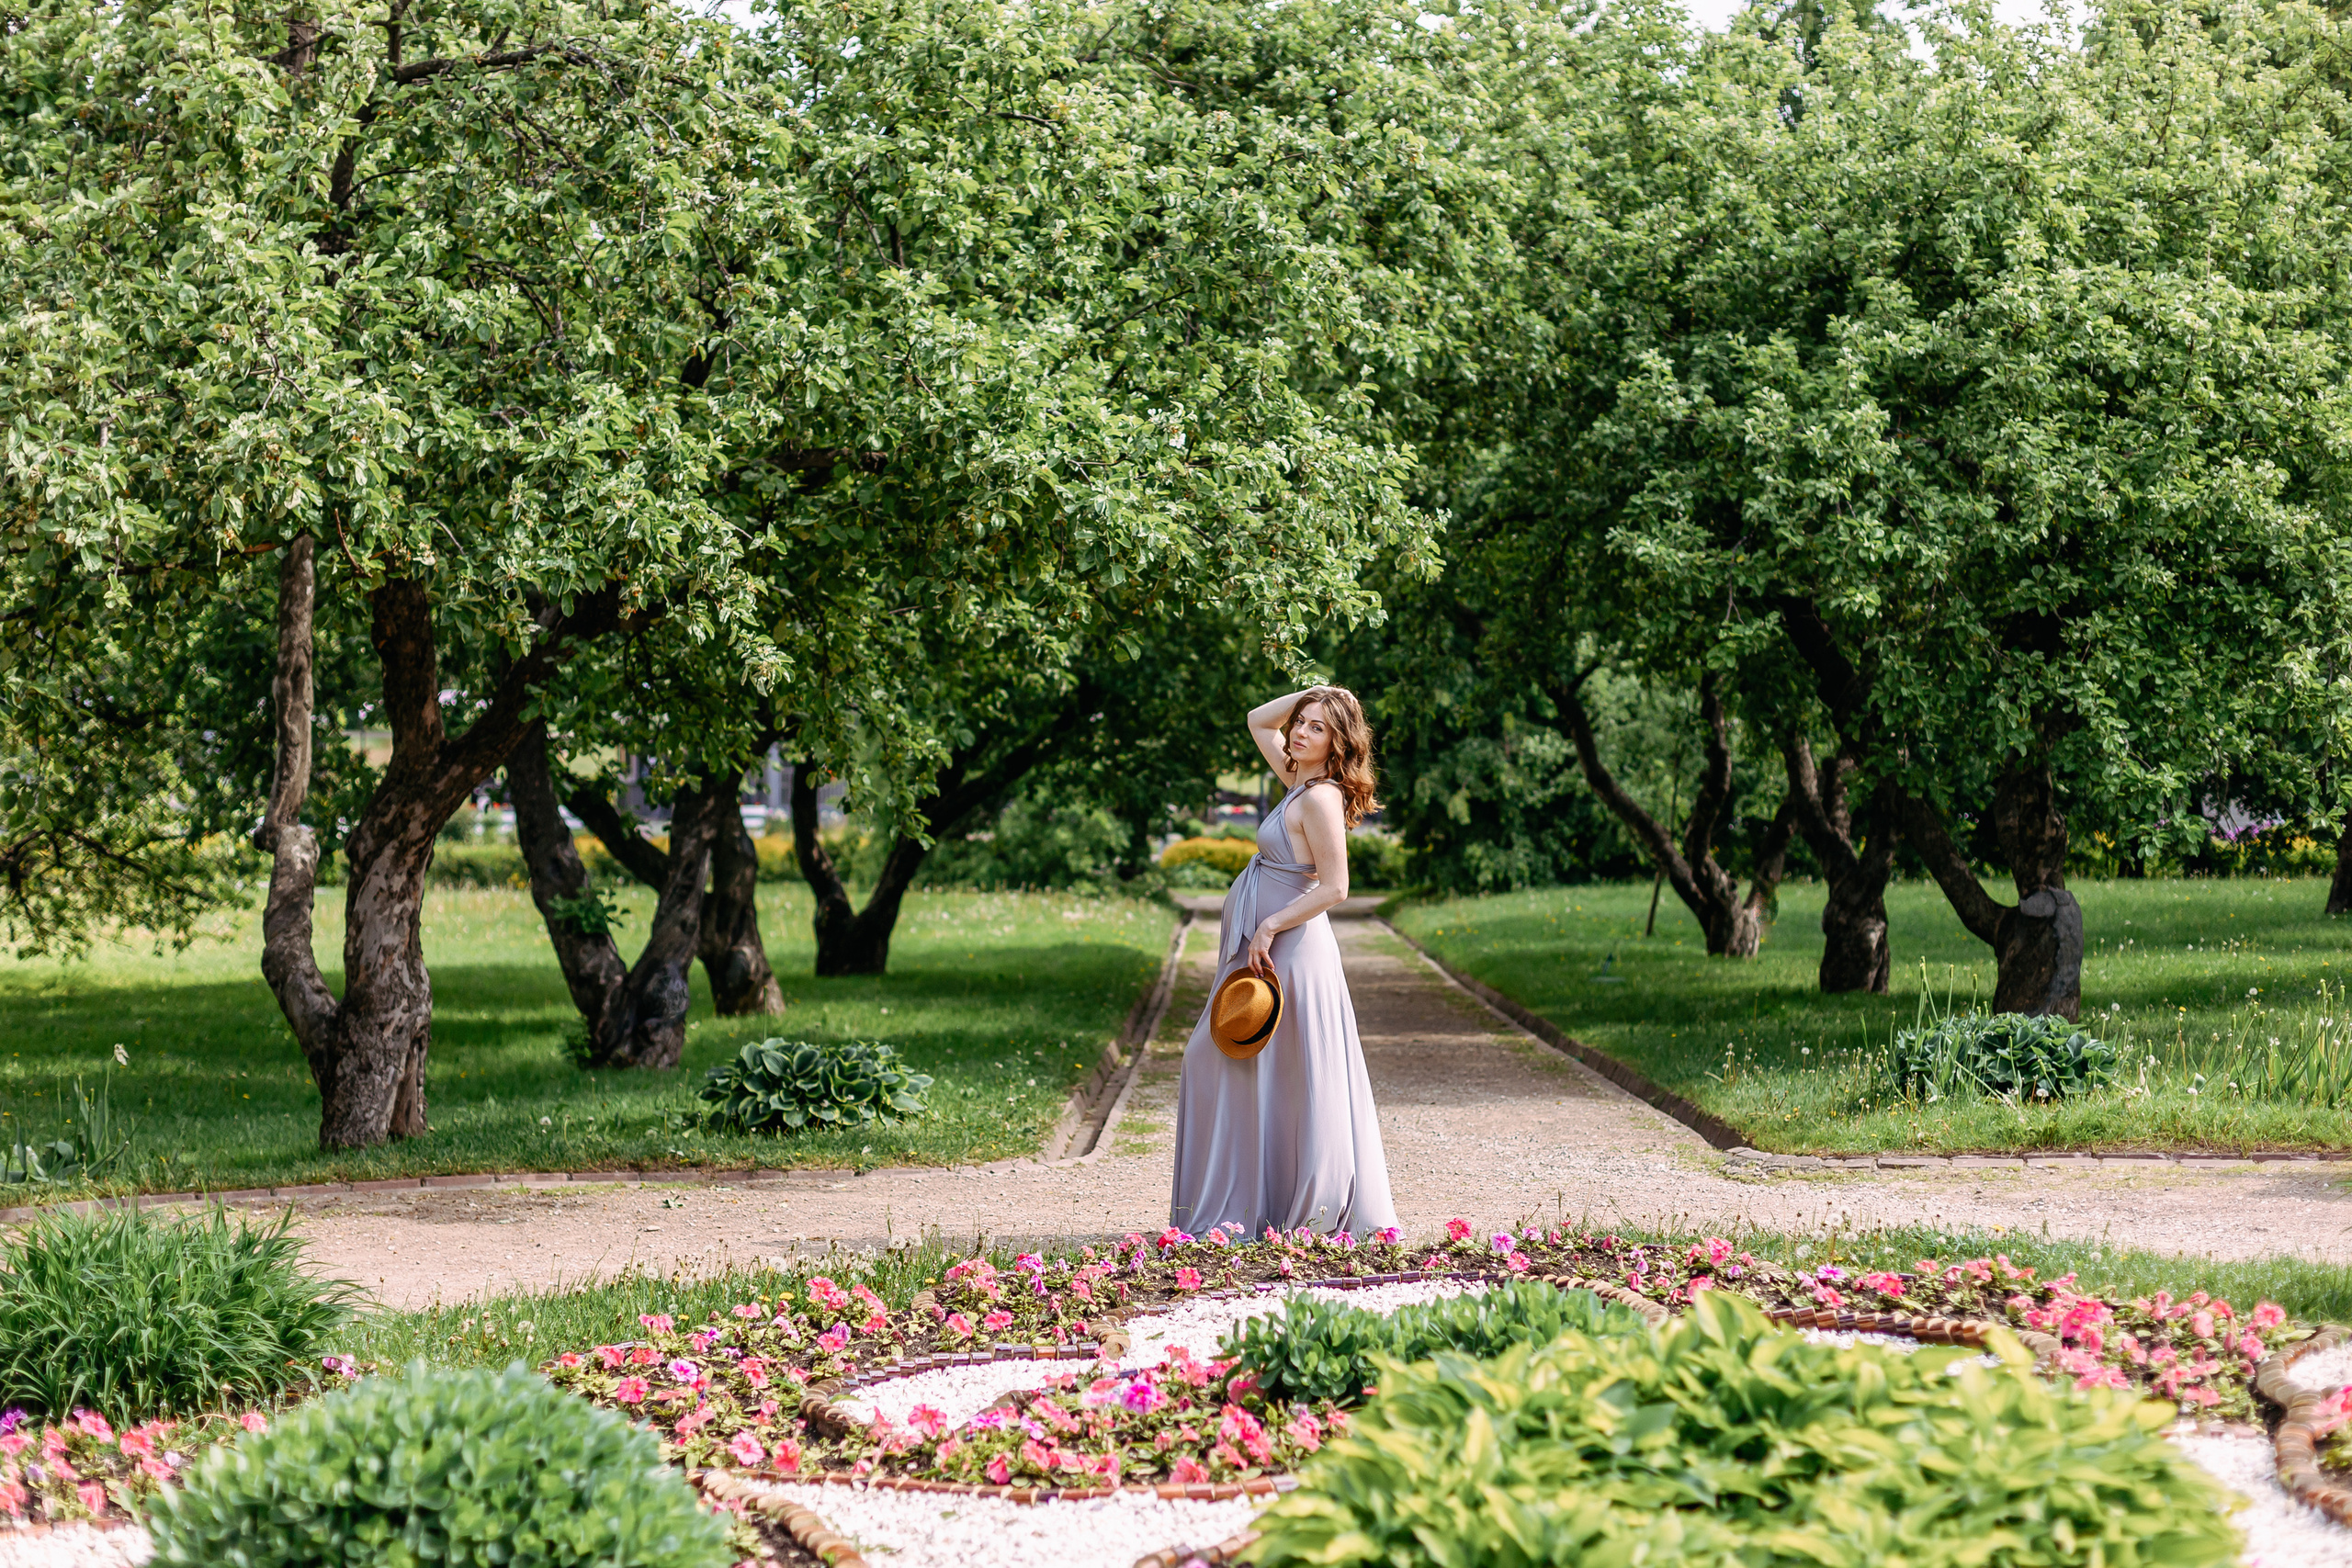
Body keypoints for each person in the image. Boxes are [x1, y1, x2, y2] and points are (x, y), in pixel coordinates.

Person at [1168, 686, 1398, 1238]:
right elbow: (1256, 720)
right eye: (1302, 722)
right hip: (1267, 946)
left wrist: (1270, 924)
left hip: (1291, 950)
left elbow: (1337, 887)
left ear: (1338, 741)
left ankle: (1297, 1209)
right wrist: (1318, 693)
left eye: (1318, 727)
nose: (1300, 732)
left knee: (1286, 1073)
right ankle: (1251, 1204)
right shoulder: (1300, 782)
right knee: (1226, 1062)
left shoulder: (1320, 797)